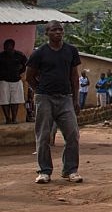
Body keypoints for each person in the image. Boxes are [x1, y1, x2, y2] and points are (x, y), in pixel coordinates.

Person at [25, 21, 83, 184]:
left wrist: (75, 99)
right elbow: (29, 76)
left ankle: (70, 170)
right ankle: (44, 171)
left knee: (72, 134)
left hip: (65, 98)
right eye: (54, 30)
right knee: (43, 135)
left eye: (60, 30)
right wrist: (39, 91)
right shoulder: (40, 53)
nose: (58, 32)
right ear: (47, 33)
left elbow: (74, 76)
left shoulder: (71, 51)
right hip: (45, 98)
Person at [0, 39, 27, 124]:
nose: (6, 48)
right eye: (5, 46)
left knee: (15, 100)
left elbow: (25, 65)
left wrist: (19, 72)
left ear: (13, 46)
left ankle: (14, 118)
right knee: (4, 100)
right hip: (3, 81)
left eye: (9, 46)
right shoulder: (1, 56)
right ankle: (8, 118)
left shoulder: (20, 55)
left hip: (16, 80)